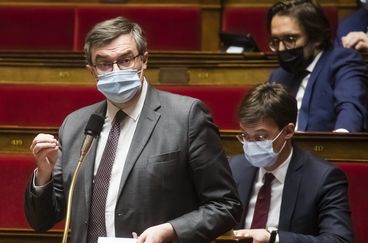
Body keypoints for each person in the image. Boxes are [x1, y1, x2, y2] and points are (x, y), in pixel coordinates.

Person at [24, 16, 242, 243]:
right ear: (92, 70)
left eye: (126, 60)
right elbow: (41, 220)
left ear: (144, 60)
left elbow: (225, 205)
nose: (116, 70)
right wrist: (44, 174)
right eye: (104, 63)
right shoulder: (76, 125)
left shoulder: (186, 116)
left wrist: (171, 230)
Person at [230, 83, 353, 243]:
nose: (251, 144)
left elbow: (340, 239)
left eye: (260, 137)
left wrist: (274, 239)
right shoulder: (234, 168)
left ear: (288, 131)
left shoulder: (323, 178)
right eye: (245, 136)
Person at [267, 0, 368, 132]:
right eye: (275, 41)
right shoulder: (279, 75)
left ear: (317, 38)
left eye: (290, 39)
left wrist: (340, 142)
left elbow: (350, 108)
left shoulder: (342, 62)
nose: (281, 48)